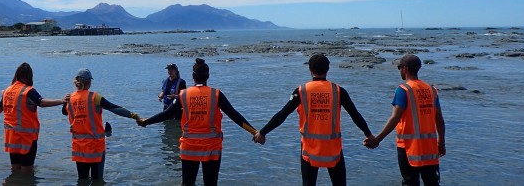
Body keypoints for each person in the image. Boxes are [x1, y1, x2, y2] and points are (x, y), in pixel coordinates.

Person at [253, 53, 374, 186]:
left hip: (309, 150)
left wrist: (263, 132)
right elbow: (355, 115)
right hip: (333, 149)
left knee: (308, 183)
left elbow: (282, 114)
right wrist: (369, 135)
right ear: (328, 69)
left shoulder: (301, 91)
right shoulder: (338, 91)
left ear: (310, 70)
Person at [139, 58, 258, 186]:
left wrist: (146, 121)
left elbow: (167, 113)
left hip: (189, 147)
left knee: (187, 184)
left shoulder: (184, 94)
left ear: (193, 77)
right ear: (208, 76)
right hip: (211, 148)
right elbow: (235, 116)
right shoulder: (216, 94)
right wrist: (254, 132)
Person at [363, 54, 445, 186]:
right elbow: (439, 119)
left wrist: (377, 139)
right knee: (432, 182)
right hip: (430, 147)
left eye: (399, 67)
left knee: (410, 182)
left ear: (405, 68)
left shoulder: (403, 90)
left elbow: (395, 118)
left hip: (408, 147)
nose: (399, 70)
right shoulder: (432, 90)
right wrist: (441, 143)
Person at [0, 62, 68, 171]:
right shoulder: (28, 91)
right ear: (29, 76)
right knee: (27, 171)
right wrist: (61, 101)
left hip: (11, 137)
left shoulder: (7, 90)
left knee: (15, 168)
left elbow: (0, 107)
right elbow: (41, 102)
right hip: (26, 138)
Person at [61, 68, 141, 180]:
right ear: (89, 82)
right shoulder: (94, 97)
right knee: (97, 180)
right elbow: (114, 108)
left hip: (79, 148)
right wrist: (134, 116)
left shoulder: (69, 99)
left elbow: (64, 112)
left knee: (82, 180)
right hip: (95, 147)